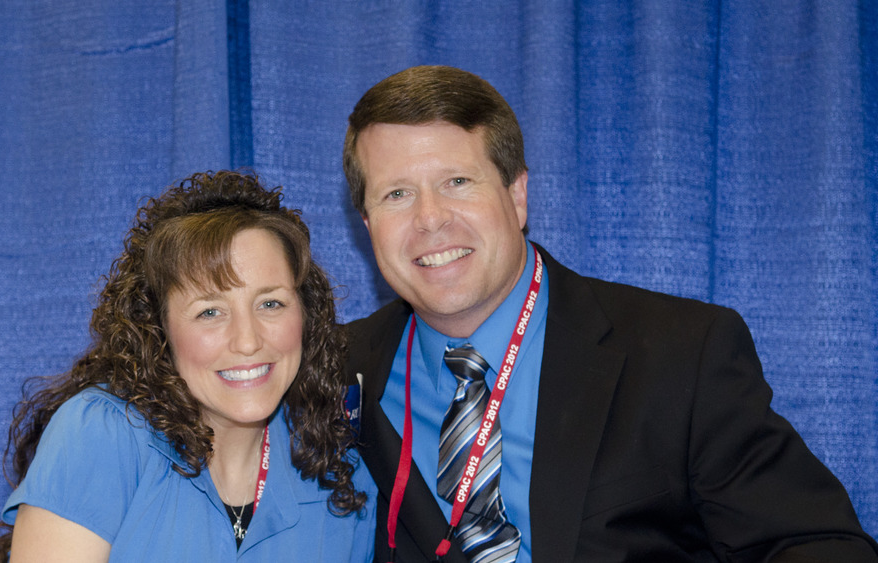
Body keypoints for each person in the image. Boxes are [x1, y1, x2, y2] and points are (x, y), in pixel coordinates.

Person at [341, 65, 878, 562]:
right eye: (396, 194)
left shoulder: (681, 355)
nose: (430, 218)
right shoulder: (330, 371)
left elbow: (817, 545)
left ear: (518, 194)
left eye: (457, 182)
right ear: (368, 227)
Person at [0, 170, 375, 561]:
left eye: (270, 304)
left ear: (306, 315)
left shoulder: (341, 481)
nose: (248, 341)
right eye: (210, 311)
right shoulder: (102, 435)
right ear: (158, 328)